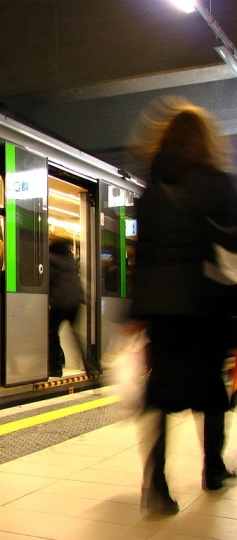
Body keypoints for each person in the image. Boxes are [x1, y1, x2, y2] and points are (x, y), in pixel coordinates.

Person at [128, 96, 237, 514]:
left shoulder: (153, 188)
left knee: (160, 394)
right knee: (210, 390)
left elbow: (143, 254)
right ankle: (213, 469)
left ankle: (155, 482)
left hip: (162, 309)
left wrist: (135, 313)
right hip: (205, 305)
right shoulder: (216, 182)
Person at [48, 238, 100, 377]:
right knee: (76, 335)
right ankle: (91, 366)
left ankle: (55, 368)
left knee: (51, 333)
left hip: (60, 302)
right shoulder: (70, 261)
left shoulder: (51, 259)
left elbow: (47, 280)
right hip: (75, 302)